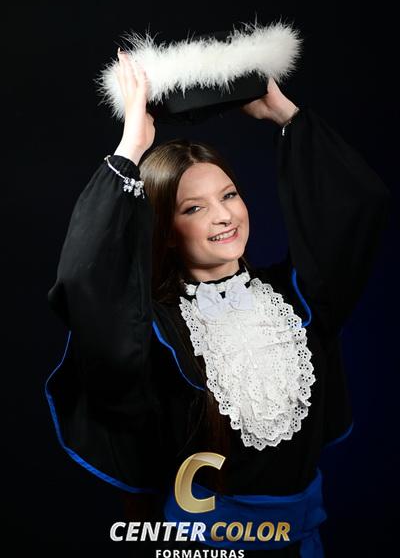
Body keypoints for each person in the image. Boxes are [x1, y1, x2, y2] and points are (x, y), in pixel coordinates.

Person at [45, 48, 391, 557]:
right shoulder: (158, 329)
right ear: (165, 230)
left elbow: (357, 209)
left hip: (301, 544)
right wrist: (132, 146)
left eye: (228, 195)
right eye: (193, 208)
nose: (223, 216)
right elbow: (89, 285)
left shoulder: (298, 299)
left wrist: (284, 115)